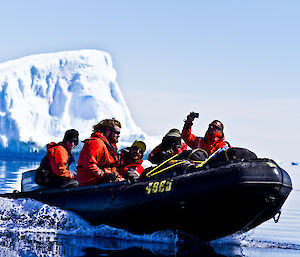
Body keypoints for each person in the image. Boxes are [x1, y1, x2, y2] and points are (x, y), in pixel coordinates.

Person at [77, 118, 123, 186]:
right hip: (91, 181)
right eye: (116, 133)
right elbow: (90, 165)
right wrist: (104, 175)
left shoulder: (109, 145)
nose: (118, 135)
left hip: (100, 179)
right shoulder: (97, 143)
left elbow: (112, 166)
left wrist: (117, 177)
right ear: (107, 130)